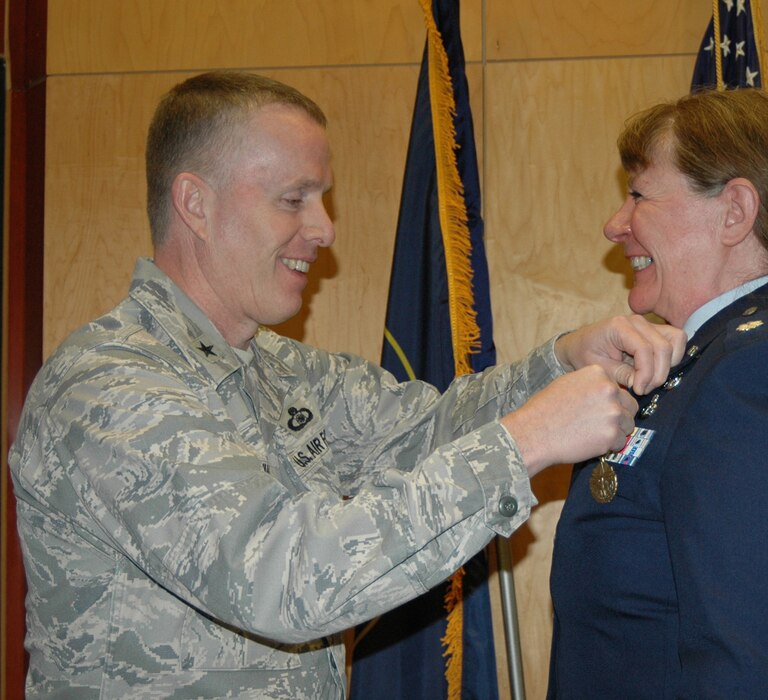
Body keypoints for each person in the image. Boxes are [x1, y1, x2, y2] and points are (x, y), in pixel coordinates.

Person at [9, 71, 685, 698]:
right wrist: (529, 440)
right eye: (293, 199)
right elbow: (286, 578)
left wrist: (561, 363)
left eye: (322, 199)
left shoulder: (282, 370)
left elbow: (430, 431)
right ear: (195, 203)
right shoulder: (107, 390)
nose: (324, 228)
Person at [547, 88, 768, 699]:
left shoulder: (757, 370)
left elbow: (756, 674)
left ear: (734, 212)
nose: (615, 224)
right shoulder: (712, 361)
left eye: (639, 194)